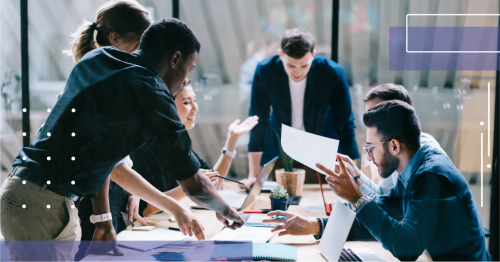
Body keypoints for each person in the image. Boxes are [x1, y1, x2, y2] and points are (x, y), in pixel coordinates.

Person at [0, 17, 243, 261]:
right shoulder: (150, 90)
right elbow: (194, 184)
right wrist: (225, 210)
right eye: (188, 70)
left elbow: (104, 156)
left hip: (28, 193)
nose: (183, 83)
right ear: (175, 58)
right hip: (44, 204)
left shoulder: (100, 58)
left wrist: (103, 219)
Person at [263, 100, 491, 262]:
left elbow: (407, 248)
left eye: (371, 148)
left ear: (394, 146)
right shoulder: (412, 167)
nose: (369, 157)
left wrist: (357, 198)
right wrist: (316, 225)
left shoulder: (431, 176)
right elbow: (385, 211)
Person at [241, 28, 359, 188]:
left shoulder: (332, 72)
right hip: (281, 152)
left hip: (321, 152)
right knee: (281, 201)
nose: (297, 72)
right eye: (290, 65)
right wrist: (253, 176)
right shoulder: (265, 71)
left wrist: (356, 177)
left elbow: (345, 125)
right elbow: (258, 123)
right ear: (280, 55)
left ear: (313, 55)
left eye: (304, 65)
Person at [127, 79, 259, 218]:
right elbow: (146, 209)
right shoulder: (143, 148)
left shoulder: (177, 144)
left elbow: (213, 184)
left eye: (194, 100)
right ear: (165, 106)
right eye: (186, 102)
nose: (195, 108)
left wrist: (232, 139)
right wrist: (191, 186)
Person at [342, 83, 445, 200]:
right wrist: (356, 175)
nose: (369, 123)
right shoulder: (391, 154)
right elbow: (385, 196)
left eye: (376, 114)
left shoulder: (418, 159)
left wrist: (355, 195)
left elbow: (396, 213)